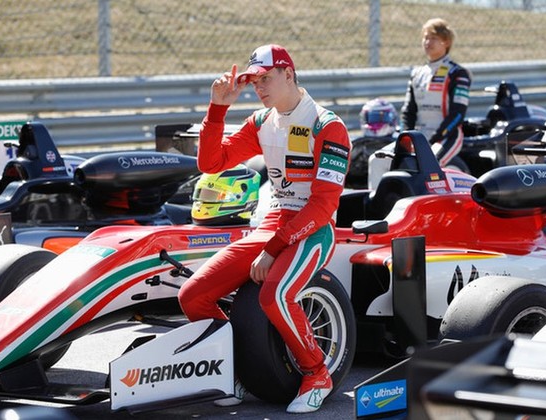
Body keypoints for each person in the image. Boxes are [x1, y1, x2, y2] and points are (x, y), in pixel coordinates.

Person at [177, 44, 351, 414]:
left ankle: (317, 373)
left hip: (314, 227)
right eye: (254, 82)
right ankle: (233, 371)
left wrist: (272, 249)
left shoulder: (327, 125)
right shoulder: (260, 121)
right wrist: (218, 107)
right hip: (274, 222)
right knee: (193, 296)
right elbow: (211, 163)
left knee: (275, 295)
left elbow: (323, 205)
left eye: (266, 79)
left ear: (289, 74)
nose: (259, 88)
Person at [367, 18, 471, 189]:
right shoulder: (417, 73)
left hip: (446, 137)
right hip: (419, 136)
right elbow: (408, 111)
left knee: (425, 167)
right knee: (377, 160)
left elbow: (458, 114)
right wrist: (406, 137)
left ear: (446, 42)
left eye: (433, 38)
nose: (428, 42)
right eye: (425, 37)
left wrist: (434, 137)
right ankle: (378, 203)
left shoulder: (458, 73)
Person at [346, 98, 398, 188]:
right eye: (373, 118)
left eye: (383, 117)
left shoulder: (398, 143)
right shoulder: (354, 146)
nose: (377, 123)